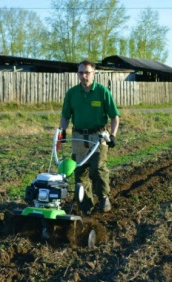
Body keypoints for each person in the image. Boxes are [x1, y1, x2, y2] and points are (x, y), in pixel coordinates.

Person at [59, 59, 120, 215]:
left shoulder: (102, 92)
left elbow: (114, 116)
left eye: (87, 72)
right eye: (81, 73)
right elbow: (65, 116)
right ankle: (86, 205)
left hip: (98, 136)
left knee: (98, 168)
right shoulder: (72, 93)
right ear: (78, 74)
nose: (84, 76)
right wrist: (63, 131)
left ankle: (104, 197)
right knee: (80, 171)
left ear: (94, 73)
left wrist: (113, 135)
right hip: (79, 136)